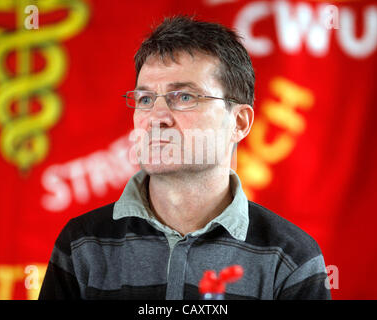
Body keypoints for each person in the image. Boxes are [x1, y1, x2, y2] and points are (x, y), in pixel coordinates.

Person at [39, 15, 331, 300]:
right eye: (145, 99)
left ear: (240, 123)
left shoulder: (291, 259)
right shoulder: (82, 244)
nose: (157, 117)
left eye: (184, 97)